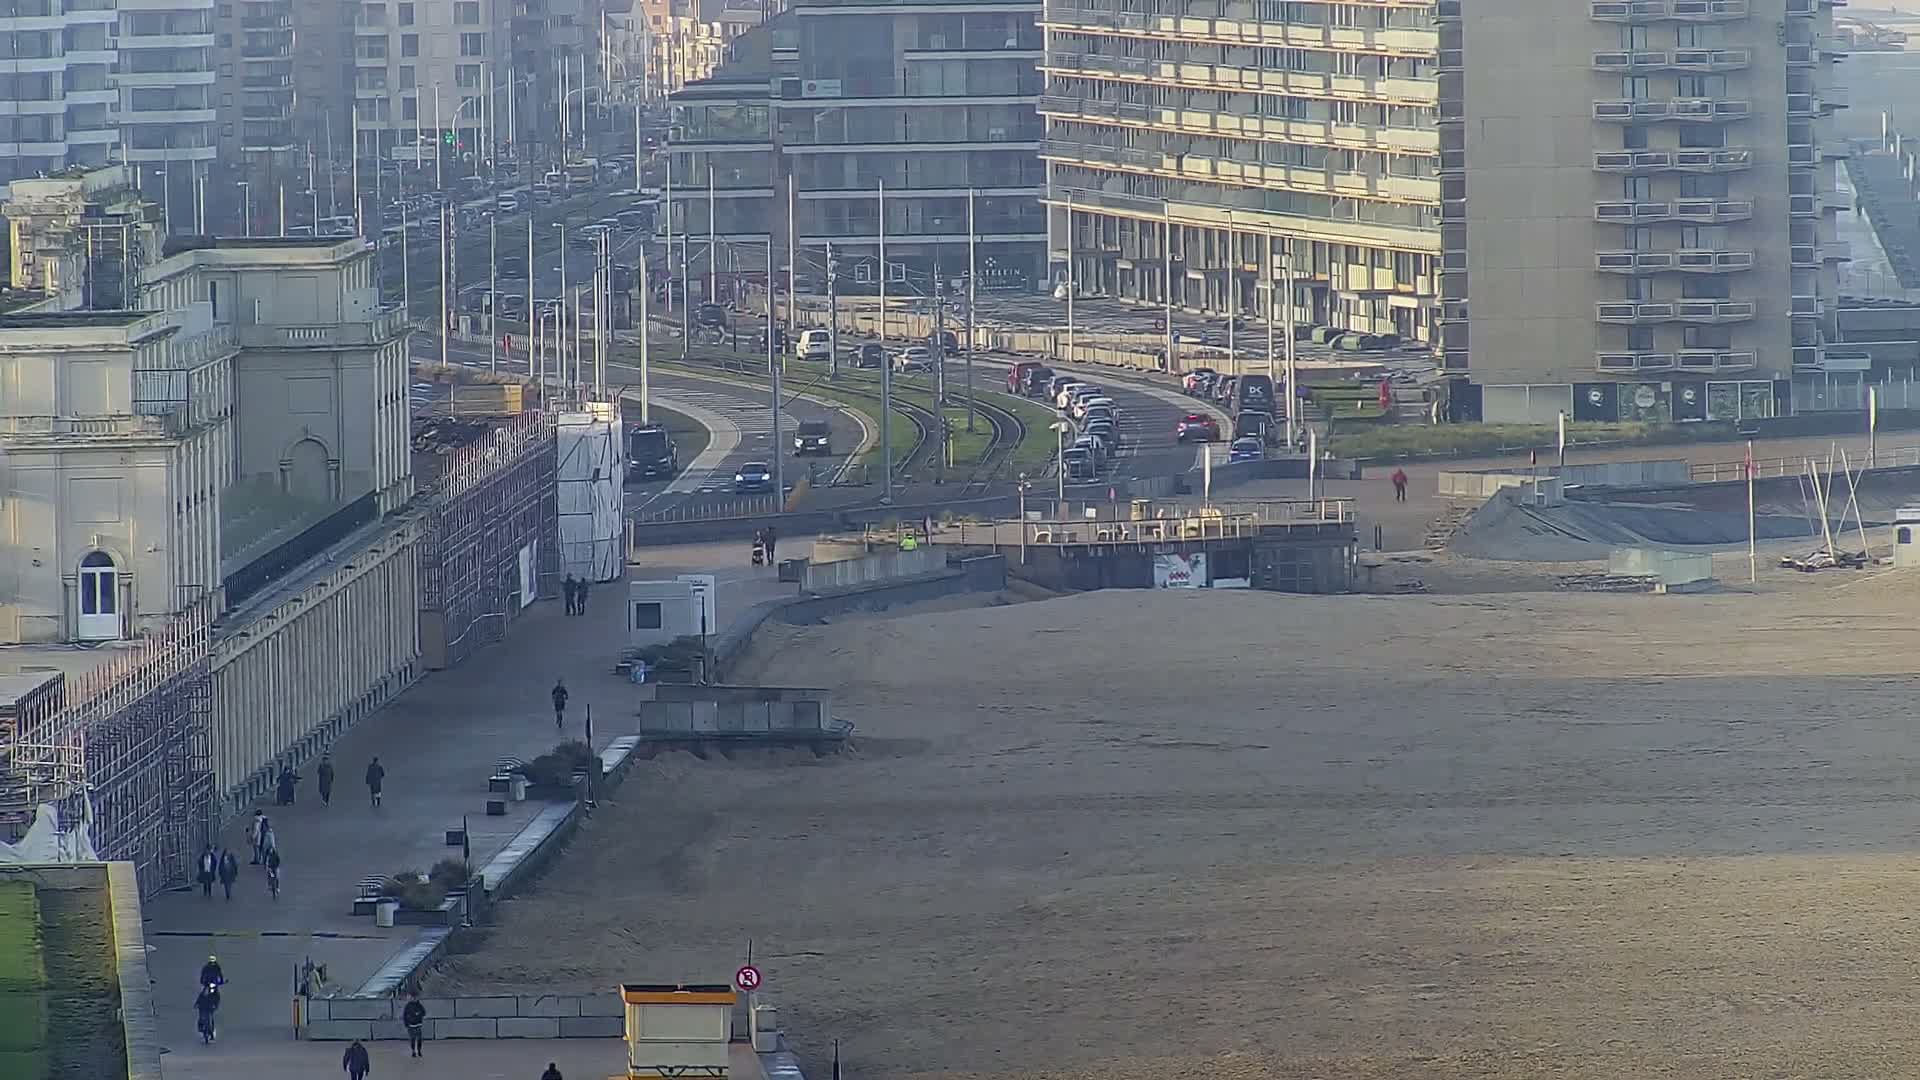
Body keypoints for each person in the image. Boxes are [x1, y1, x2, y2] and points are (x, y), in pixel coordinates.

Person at [402, 992, 427, 1057]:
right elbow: (404, 1016)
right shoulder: (408, 1006)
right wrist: (406, 1024)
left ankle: (419, 1051)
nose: (413, 999)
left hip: (418, 1024)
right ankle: (413, 1051)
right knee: (412, 1039)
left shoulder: (419, 1005)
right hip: (410, 1025)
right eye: (411, 997)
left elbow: (424, 1013)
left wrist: (418, 1014)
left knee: (419, 1039)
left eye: (414, 997)